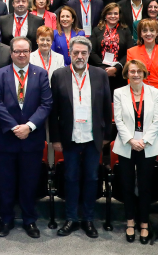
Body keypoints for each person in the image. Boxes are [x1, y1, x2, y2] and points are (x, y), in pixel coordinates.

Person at [48, 36, 111, 238]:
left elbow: (106, 107)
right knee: (71, 177)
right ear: (70, 53)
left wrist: (106, 136)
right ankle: (71, 219)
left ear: (88, 54)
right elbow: (53, 110)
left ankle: (88, 219)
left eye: (83, 53)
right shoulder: (59, 75)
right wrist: (55, 138)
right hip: (70, 136)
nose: (79, 56)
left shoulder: (100, 74)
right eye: (76, 52)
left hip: (94, 137)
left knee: (92, 178)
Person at [0, 37, 52, 238]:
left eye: (25, 51)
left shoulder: (41, 74)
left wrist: (29, 126)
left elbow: (46, 104)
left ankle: (29, 220)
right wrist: (14, 127)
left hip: (31, 139)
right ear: (11, 53)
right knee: (6, 182)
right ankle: (6, 220)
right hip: (6, 139)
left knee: (29, 182)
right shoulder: (0, 74)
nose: (21, 54)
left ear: (30, 52)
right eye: (17, 51)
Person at [112, 60, 158, 244]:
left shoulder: (154, 92)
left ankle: (144, 223)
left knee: (145, 185)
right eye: (132, 71)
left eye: (139, 71)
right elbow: (118, 119)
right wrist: (131, 140)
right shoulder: (119, 92)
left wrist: (145, 140)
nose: (135, 74)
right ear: (126, 74)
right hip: (126, 144)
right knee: (126, 185)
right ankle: (130, 222)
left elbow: (157, 119)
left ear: (144, 73)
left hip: (148, 145)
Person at [90, 3, 133, 94]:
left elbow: (129, 52)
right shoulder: (97, 30)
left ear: (119, 16)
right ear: (105, 15)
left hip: (120, 73)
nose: (113, 16)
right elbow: (92, 51)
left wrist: (116, 68)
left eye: (115, 13)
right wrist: (104, 68)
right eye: (109, 13)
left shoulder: (125, 30)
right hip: (100, 72)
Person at [127, 19, 158, 93]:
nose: (148, 33)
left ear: (157, 33)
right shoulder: (131, 52)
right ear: (140, 34)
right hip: (139, 92)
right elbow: (130, 77)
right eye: (145, 31)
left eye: (152, 30)